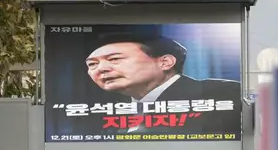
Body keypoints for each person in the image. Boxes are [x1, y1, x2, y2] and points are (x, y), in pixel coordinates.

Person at [84, 32, 242, 135]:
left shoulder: (223, 94)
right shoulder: (111, 117)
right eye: (92, 64)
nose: (102, 69)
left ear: (165, 62)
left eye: (115, 59)